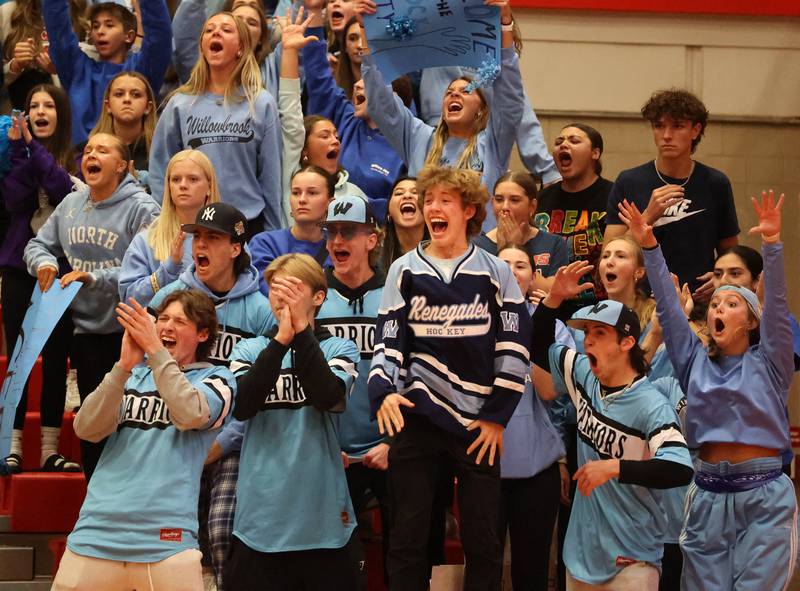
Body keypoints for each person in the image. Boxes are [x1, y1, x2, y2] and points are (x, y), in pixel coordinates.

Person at [619, 192, 796, 591]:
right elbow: (667, 305)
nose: (718, 309)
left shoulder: (772, 361)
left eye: (732, 303)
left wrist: (772, 244)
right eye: (715, 304)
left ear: (752, 321)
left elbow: (778, 303)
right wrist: (649, 244)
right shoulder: (693, 361)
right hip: (707, 492)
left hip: (764, 492)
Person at [368, 166, 531, 590]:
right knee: (407, 537)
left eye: (444, 200)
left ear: (469, 210)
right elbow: (388, 340)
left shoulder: (497, 273)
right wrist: (384, 391)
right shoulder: (403, 270)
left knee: (482, 540)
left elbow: (514, 349)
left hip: (479, 424)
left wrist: (497, 416)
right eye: (428, 201)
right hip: (417, 418)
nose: (433, 208)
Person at [51, 289, 236, 591]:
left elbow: (191, 413)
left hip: (166, 541)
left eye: (180, 321)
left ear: (203, 334)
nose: (166, 327)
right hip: (95, 533)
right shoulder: (131, 378)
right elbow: (86, 428)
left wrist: (157, 353)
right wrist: (122, 368)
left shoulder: (218, 379)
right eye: (162, 319)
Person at [530, 262, 693, 590]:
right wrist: (553, 300)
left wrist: (615, 467)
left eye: (599, 333)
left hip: (632, 557)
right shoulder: (583, 375)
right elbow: (537, 347)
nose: (587, 342)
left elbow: (679, 469)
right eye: (586, 333)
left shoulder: (652, 404)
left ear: (627, 342)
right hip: (581, 553)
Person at [147, 201, 272, 590]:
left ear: (235, 248)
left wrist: (222, 441)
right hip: (173, 436)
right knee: (171, 539)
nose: (199, 244)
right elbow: (144, 372)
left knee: (220, 535)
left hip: (232, 443)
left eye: (212, 238)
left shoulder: (261, 311)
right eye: (196, 236)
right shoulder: (169, 301)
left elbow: (261, 391)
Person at [23, 132, 160, 480]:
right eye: (87, 150)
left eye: (102, 150)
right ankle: (94, 494)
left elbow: (149, 267)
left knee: (130, 420)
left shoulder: (143, 208)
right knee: (93, 417)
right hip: (85, 330)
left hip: (132, 327)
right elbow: (36, 245)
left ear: (123, 166)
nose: (91, 155)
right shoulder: (71, 205)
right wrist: (46, 264)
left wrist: (94, 277)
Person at [226, 253, 361, 590]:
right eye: (275, 289)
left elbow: (328, 396)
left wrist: (301, 332)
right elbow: (243, 405)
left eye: (293, 289)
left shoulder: (339, 348)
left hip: (324, 522)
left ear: (318, 297)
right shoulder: (248, 350)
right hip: (259, 522)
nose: (282, 297)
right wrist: (281, 340)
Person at [360, 0, 524, 229]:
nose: (454, 95)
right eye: (449, 92)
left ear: (482, 109)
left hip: (478, 251)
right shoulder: (420, 138)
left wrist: (505, 26)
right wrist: (367, 35)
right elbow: (381, 104)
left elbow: (511, 101)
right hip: (427, 250)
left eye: (465, 91)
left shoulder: (493, 143)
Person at [150, 11, 282, 238]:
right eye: (209, 30)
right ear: (202, 46)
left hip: (247, 225)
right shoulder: (180, 104)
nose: (216, 33)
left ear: (240, 47)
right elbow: (160, 168)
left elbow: (271, 177)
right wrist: (166, 221)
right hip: (193, 226)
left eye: (226, 30)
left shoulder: (261, 103)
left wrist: (273, 236)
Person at [1, 85, 77, 472]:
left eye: (49, 105)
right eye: (34, 106)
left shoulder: (78, 156)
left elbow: (63, 191)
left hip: (61, 271)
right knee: (20, 358)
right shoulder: (13, 154)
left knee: (54, 361)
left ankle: (50, 449)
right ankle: (10, 447)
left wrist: (34, 149)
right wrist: (19, 151)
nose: (41, 111)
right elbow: (14, 200)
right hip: (18, 268)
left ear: (61, 114)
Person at [603, 89, 739, 301]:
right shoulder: (629, 181)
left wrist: (722, 277)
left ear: (695, 130)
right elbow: (610, 251)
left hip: (697, 301)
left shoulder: (716, 183)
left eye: (677, 126)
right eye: (659, 126)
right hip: (640, 302)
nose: (666, 135)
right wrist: (648, 216)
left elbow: (730, 251)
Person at [315, 195, 388, 583]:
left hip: (386, 446)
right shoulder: (314, 294)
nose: (337, 241)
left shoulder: (396, 293)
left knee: (405, 550)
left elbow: (412, 372)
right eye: (331, 232)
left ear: (371, 239)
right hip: (329, 450)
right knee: (330, 561)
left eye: (348, 232)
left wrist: (395, 440)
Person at [496, 244, 569, 591]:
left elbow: (552, 391)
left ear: (533, 278)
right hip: (483, 463)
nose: (511, 270)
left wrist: (536, 328)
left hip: (537, 467)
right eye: (503, 263)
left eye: (520, 265)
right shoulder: (470, 321)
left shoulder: (553, 325)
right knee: (483, 566)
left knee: (532, 571)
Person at [301, 7, 408, 218]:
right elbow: (319, 76)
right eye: (358, 82)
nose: (358, 86)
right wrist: (313, 10)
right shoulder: (345, 118)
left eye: (367, 83)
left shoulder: (406, 139)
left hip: (378, 234)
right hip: (325, 226)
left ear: (390, 95)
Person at [42, 0, 171, 144]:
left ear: (129, 36)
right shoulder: (76, 68)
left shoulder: (142, 70)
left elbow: (159, 34)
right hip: (81, 159)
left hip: (133, 158)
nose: (100, 31)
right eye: (95, 26)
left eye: (109, 25)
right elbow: (58, 30)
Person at [119, 149, 221, 307]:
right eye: (176, 179)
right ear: (168, 186)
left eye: (193, 179)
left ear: (209, 186)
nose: (183, 185)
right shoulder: (146, 240)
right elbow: (129, 299)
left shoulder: (228, 237)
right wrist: (168, 269)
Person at [535, 123, 613, 310]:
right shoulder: (540, 199)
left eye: (574, 140)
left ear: (595, 153)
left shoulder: (613, 195)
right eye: (559, 141)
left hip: (596, 306)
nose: (563, 144)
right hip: (544, 302)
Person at [250, 165, 335, 295]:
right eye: (296, 193)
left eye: (312, 193)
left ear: (331, 203)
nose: (302, 200)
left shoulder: (339, 247)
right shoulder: (264, 244)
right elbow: (272, 294)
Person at [173, 0, 281, 98]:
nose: (243, 26)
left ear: (261, 38)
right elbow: (185, 33)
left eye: (252, 23)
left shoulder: (272, 69)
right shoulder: (181, 99)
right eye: (237, 21)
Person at [474, 171, 569, 282]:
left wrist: (515, 249)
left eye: (514, 200)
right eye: (499, 199)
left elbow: (550, 293)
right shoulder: (477, 247)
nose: (505, 207)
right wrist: (504, 251)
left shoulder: (554, 243)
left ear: (532, 206)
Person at [82, 71, 157, 187]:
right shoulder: (88, 151)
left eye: (136, 95)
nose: (127, 100)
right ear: (108, 106)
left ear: (148, 107)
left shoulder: (161, 151)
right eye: (119, 94)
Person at [379, 176, 425, 272]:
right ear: (389, 212)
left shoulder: (443, 256)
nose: (407, 196)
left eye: (415, 192)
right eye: (399, 193)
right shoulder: (375, 257)